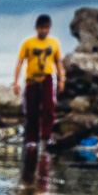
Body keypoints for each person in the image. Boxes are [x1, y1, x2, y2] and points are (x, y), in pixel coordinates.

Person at [13, 14, 65, 146]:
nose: (44, 31)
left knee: (49, 108)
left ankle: (46, 137)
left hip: (47, 78)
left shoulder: (54, 43)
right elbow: (20, 62)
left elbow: (58, 61)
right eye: (41, 28)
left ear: (50, 28)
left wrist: (61, 79)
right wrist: (16, 82)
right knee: (31, 111)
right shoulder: (28, 43)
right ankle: (31, 139)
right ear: (36, 28)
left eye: (46, 28)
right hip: (31, 80)